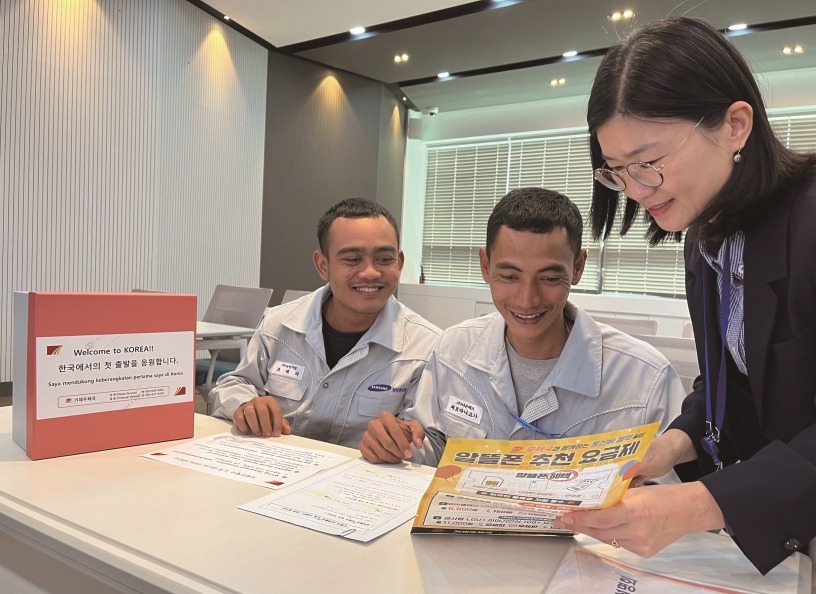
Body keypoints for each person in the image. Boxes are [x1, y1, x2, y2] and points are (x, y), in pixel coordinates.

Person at [554, 16, 816, 575]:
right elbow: (739, 386)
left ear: (735, 125)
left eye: (649, 163)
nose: (636, 191)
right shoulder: (705, 238)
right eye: (618, 172)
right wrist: (672, 445)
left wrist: (702, 503)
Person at [359, 187, 686, 471]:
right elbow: (431, 447)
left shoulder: (644, 379)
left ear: (578, 267)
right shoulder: (453, 351)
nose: (527, 299)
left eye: (549, 277)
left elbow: (669, 498)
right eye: (510, 276)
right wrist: (397, 445)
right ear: (485, 266)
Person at [209, 198, 441, 448]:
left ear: (400, 262)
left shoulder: (426, 348)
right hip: (274, 469)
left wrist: (404, 442)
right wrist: (244, 405)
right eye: (352, 259)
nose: (371, 272)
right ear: (323, 265)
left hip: (359, 480)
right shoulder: (279, 325)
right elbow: (233, 384)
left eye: (385, 259)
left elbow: (430, 441)